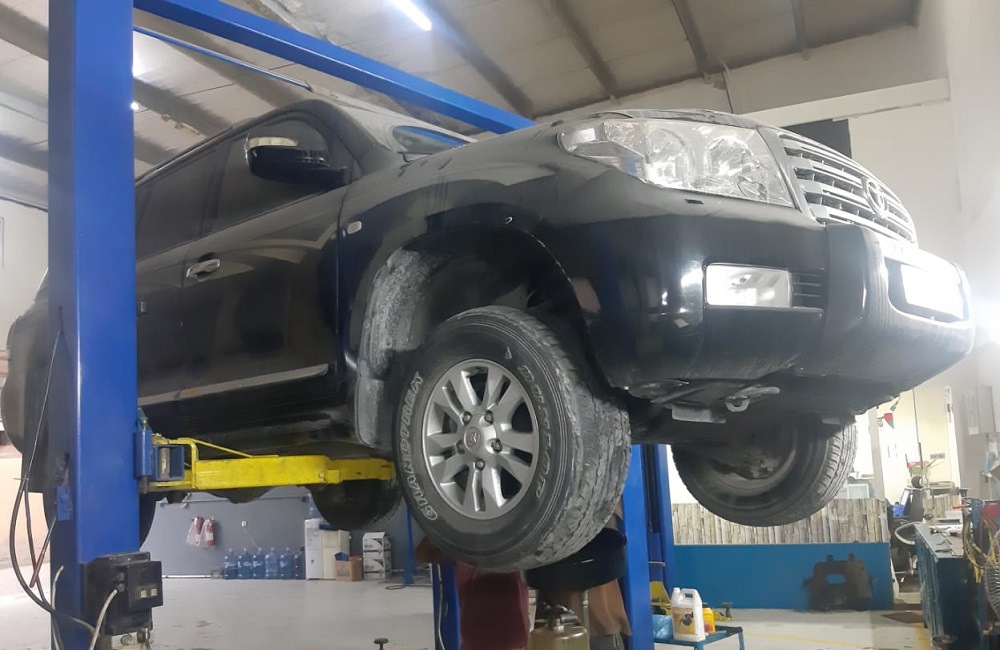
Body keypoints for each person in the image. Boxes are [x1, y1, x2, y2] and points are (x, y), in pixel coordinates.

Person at [416, 538, 531, 650]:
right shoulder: (463, 546)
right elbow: (423, 553)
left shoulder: (513, 542)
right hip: (495, 640)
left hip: (508, 641)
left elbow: (423, 553)